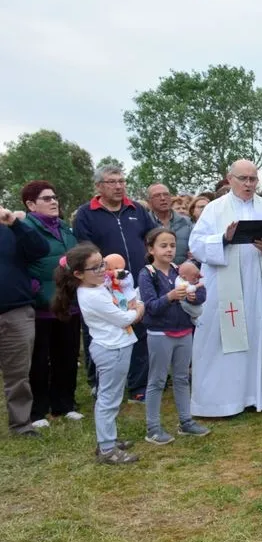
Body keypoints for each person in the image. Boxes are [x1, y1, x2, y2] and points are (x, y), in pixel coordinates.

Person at [188, 159, 262, 417]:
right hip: (223, 289)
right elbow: (197, 244)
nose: (248, 184)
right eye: (243, 179)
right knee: (220, 342)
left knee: (258, 338)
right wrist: (223, 239)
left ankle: (259, 394)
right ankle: (219, 401)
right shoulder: (214, 209)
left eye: (253, 179)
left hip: (258, 286)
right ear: (229, 179)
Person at [54, 243, 144, 463]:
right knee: (109, 399)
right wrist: (139, 307)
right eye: (95, 268)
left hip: (116, 346)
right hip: (112, 349)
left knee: (111, 396)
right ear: (78, 274)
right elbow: (124, 318)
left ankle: (108, 440)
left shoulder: (96, 286)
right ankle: (106, 449)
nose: (103, 270)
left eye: (102, 263)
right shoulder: (92, 295)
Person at [73, 164, 156, 402]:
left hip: (135, 281)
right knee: (102, 335)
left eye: (121, 180)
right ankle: (100, 383)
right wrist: (105, 275)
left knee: (139, 330)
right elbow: (85, 250)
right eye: (112, 181)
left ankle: (138, 386)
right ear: (99, 186)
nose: (119, 186)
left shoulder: (136, 209)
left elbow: (152, 236)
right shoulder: (86, 214)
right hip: (103, 286)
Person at [138, 228, 210, 445]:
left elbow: (201, 295)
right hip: (160, 333)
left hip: (185, 331)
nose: (169, 250)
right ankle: (153, 428)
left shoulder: (181, 270)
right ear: (151, 249)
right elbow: (150, 307)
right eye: (163, 245)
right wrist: (170, 296)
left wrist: (194, 294)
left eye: (172, 245)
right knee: (157, 381)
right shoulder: (147, 274)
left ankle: (186, 422)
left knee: (182, 378)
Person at [21, 181, 82, 426]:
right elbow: (18, 265)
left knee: (66, 356)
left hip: (69, 303)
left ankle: (64, 404)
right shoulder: (23, 229)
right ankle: (38, 410)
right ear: (30, 204)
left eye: (55, 197)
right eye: (47, 198)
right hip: (41, 306)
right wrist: (35, 289)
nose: (54, 201)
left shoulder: (65, 228)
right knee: (39, 360)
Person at [0, 205, 49, 438]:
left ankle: (21, 424)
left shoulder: (12, 229)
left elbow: (41, 249)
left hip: (15, 311)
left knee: (18, 373)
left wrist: (15, 223)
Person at [147, 183, 193, 265]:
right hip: (154, 275)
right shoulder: (144, 223)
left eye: (166, 194)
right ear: (149, 201)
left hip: (184, 274)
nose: (163, 198)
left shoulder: (187, 222)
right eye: (157, 195)